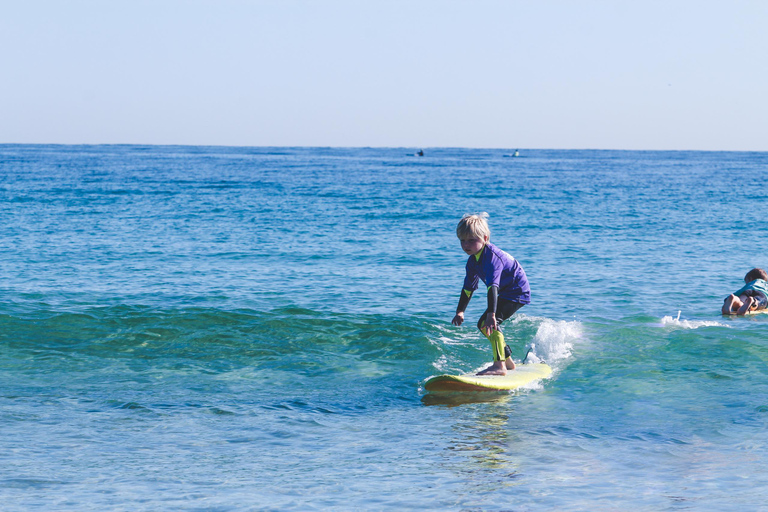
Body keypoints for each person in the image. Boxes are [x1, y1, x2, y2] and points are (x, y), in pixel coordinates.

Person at [451, 213, 531, 375]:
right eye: (462, 240)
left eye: (472, 240)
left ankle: (499, 366)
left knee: (488, 323)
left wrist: (491, 314)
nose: (466, 244)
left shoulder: (493, 258)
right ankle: (507, 362)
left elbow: (492, 287)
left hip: (517, 292)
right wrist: (460, 311)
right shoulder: (473, 260)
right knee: (484, 325)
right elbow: (468, 288)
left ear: (485, 238)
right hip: (504, 291)